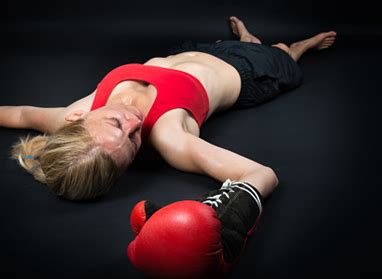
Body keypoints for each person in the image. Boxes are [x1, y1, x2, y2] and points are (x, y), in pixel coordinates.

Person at [0, 16, 337, 201]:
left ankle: (246, 37)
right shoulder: (169, 138)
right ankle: (300, 47)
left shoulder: (72, 113)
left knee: (229, 44)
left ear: (78, 118)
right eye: (134, 143)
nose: (135, 124)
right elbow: (263, 175)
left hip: (186, 51)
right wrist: (228, 214)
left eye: (117, 123)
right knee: (282, 55)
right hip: (248, 73)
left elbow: (19, 115)